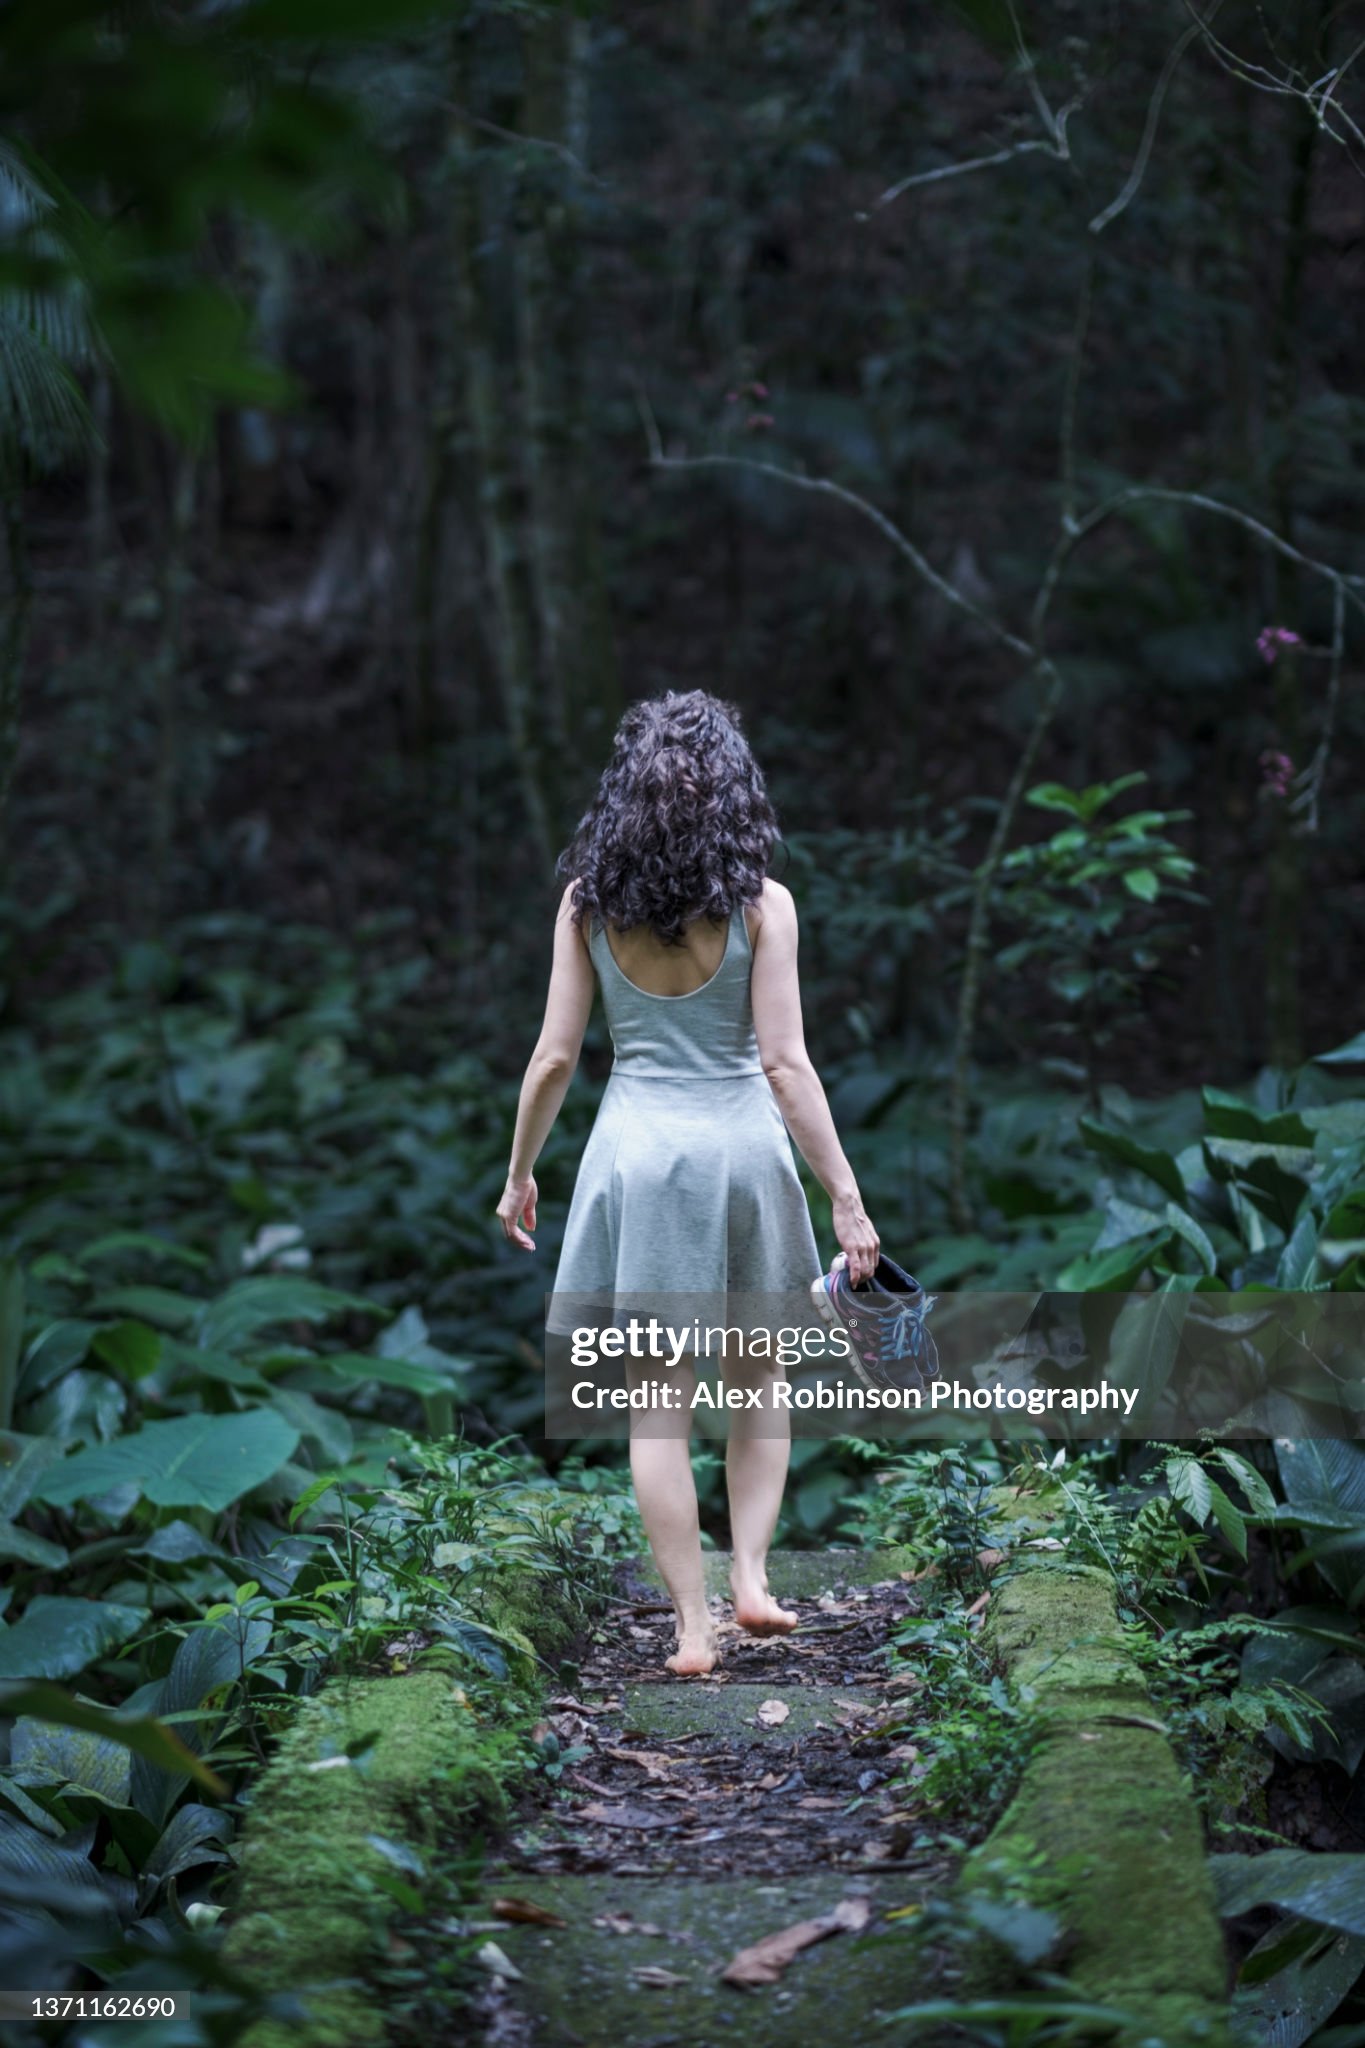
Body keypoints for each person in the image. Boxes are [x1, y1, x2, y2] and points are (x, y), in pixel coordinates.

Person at [496, 689, 880, 1677]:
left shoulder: (585, 903)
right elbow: (787, 1066)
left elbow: (551, 1057)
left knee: (655, 1408)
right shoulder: (765, 905)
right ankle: (753, 1575)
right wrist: (844, 1192)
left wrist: (519, 1171)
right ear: (732, 792)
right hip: (744, 1155)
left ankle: (693, 1625)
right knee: (761, 1378)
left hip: (639, 1157)